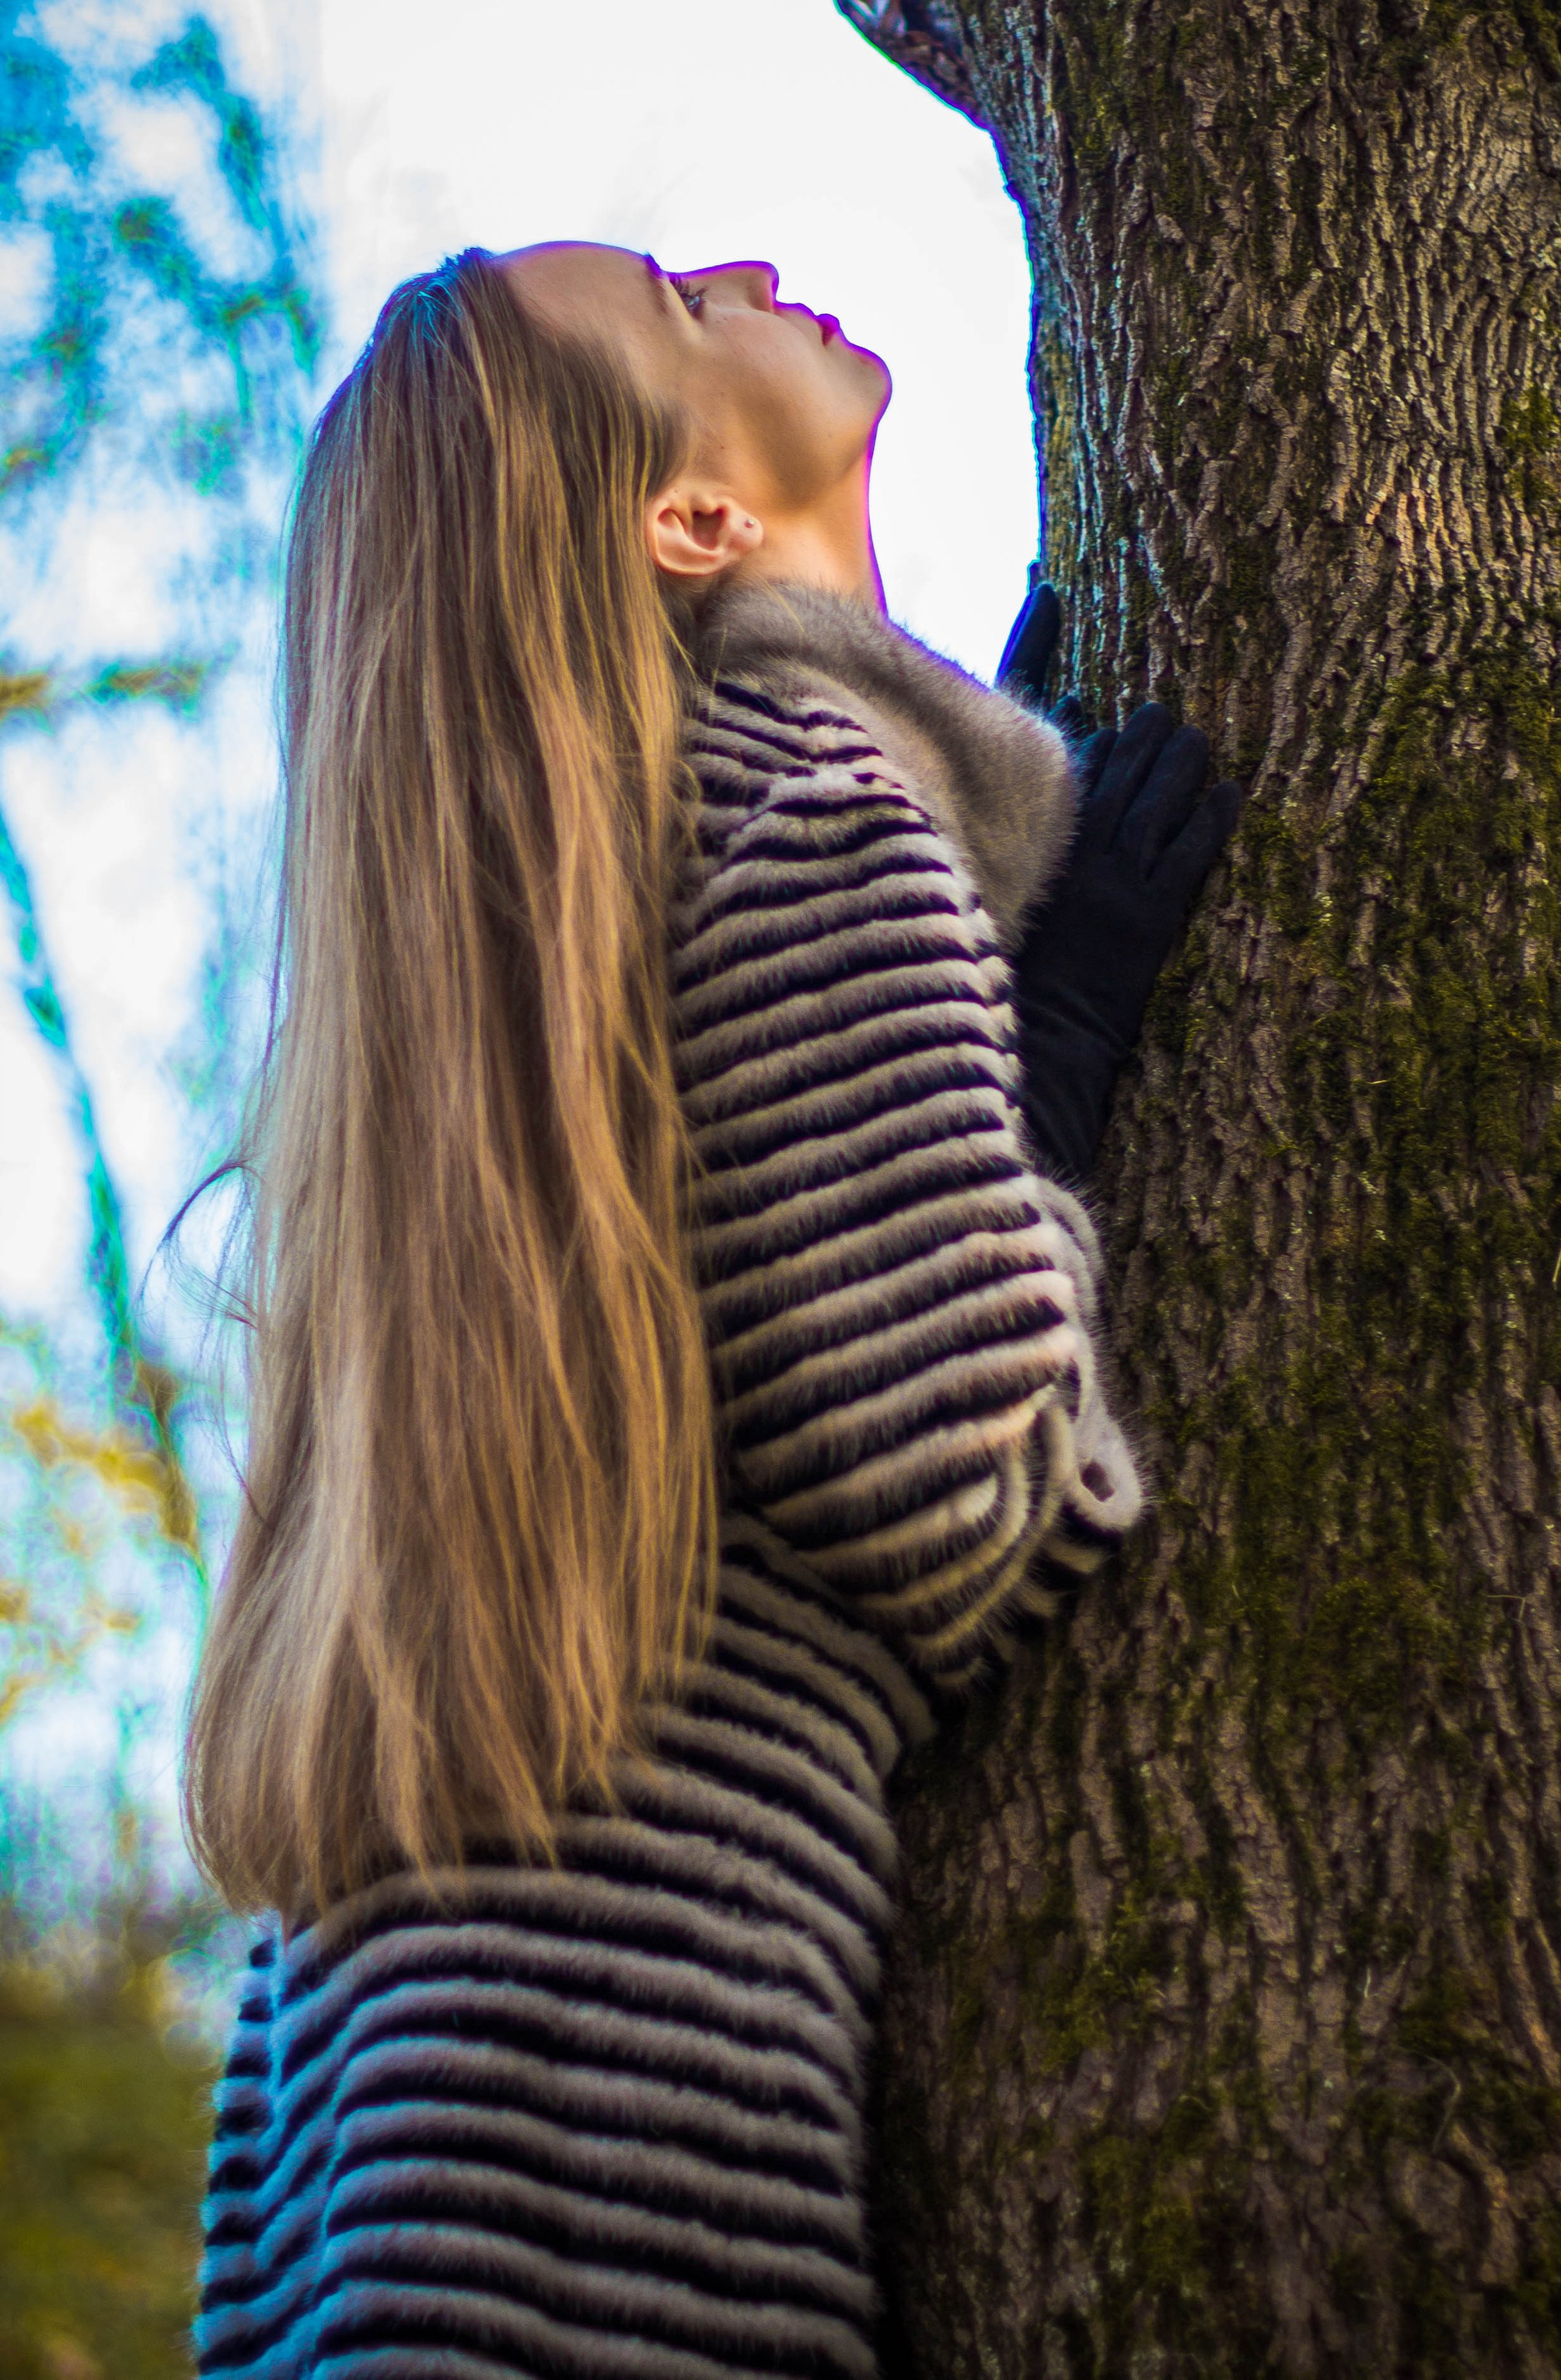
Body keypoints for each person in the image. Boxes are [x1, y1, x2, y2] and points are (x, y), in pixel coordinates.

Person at [186, 242, 1238, 2378]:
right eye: (681, 299)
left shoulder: (559, 930)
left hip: (372, 2109)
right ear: (689, 518)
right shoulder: (808, 809)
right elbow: (962, 1502)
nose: (750, 269)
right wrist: (1057, 1056)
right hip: (611, 2118)